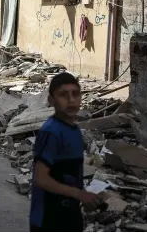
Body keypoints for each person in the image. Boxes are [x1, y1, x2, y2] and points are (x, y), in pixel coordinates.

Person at [29, 72, 101, 232]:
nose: (71, 100)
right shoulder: (51, 132)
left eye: (76, 94)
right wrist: (78, 194)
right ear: (51, 100)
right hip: (48, 219)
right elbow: (40, 178)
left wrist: (85, 197)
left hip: (70, 216)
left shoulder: (75, 131)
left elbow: (70, 175)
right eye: (63, 95)